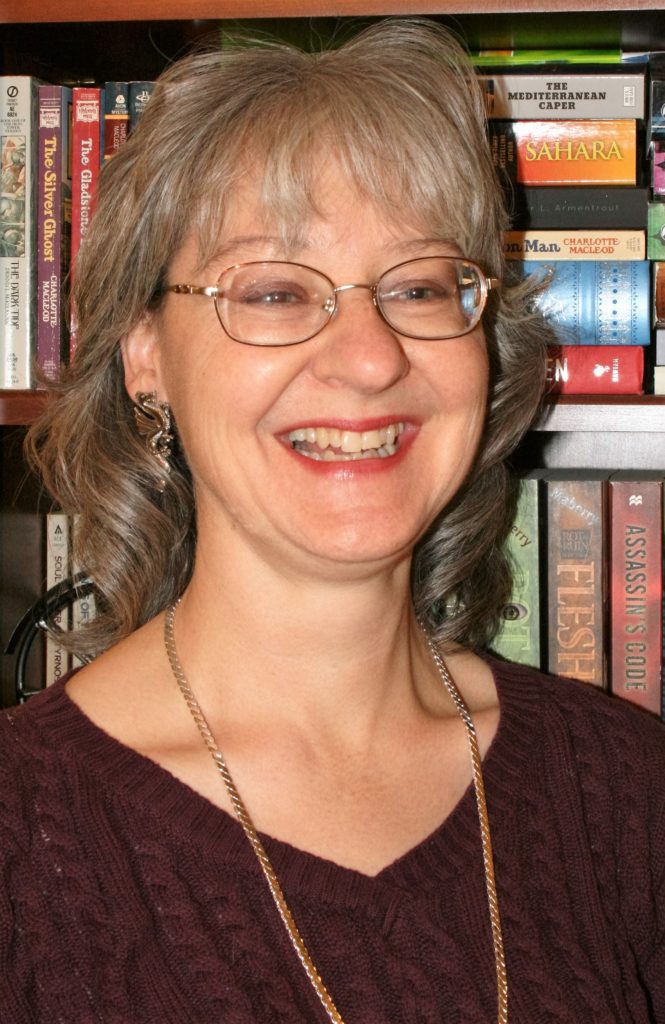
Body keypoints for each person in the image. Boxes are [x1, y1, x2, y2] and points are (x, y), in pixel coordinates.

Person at [1, 18, 664, 1024]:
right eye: (273, 291)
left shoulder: (625, 791)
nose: (368, 358)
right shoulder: (23, 834)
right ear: (145, 358)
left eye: (418, 287)